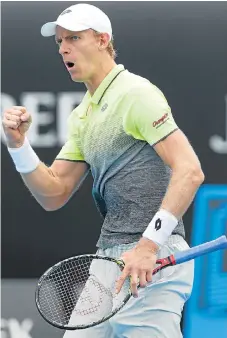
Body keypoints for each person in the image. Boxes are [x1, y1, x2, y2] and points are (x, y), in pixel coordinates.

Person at [2, 3, 204, 338]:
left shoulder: (136, 93)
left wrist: (148, 245)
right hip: (108, 260)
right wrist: (18, 145)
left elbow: (190, 171)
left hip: (153, 257)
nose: (64, 47)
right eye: (60, 41)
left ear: (102, 40)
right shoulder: (83, 115)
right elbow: (54, 193)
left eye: (74, 38)